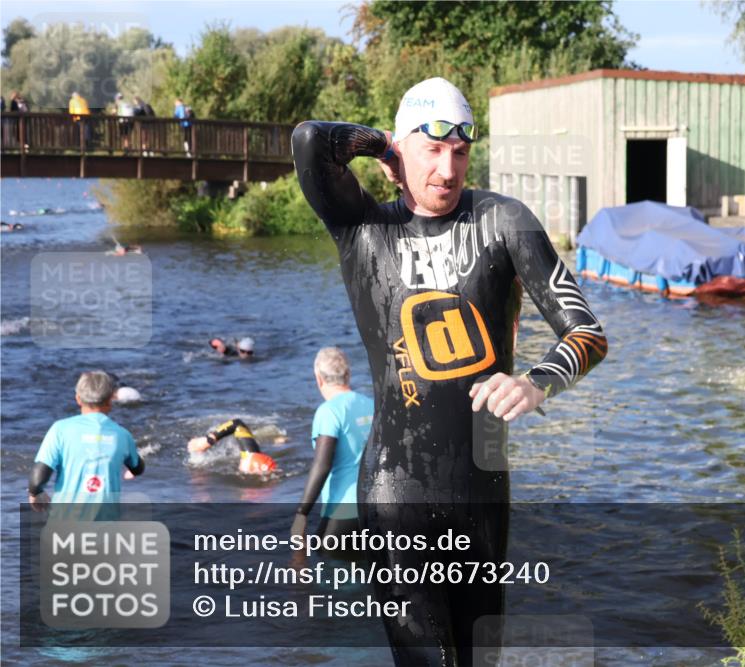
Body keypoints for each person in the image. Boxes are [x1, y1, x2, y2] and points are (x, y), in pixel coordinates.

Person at [291, 77, 607, 665]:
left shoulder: (504, 221)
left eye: (459, 151)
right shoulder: (365, 229)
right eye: (431, 149)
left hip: (483, 493)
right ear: (401, 151)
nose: (447, 167)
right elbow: (311, 141)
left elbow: (588, 333)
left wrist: (536, 382)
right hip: (396, 490)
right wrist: (383, 144)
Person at [28, 371, 145, 520]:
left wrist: (35, 493)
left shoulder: (60, 429)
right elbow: (138, 467)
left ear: (78, 398)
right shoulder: (122, 435)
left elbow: (37, 479)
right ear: (110, 400)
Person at [291, 347, 373, 543]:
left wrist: (301, 514)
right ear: (348, 374)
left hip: (342, 511)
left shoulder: (328, 412)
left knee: (326, 567)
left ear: (318, 378)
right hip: (374, 507)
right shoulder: (371, 404)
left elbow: (322, 465)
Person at [187, 418, 277, 474]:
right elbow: (237, 424)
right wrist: (208, 441)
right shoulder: (250, 455)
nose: (242, 461)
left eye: (245, 462)